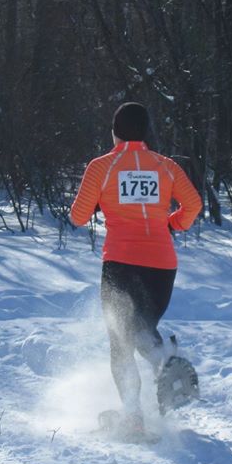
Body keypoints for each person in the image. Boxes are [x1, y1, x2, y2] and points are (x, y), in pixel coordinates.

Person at [70, 102, 202, 435]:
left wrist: (103, 203)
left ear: (114, 132)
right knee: (141, 327)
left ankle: (133, 417)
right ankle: (164, 361)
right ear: (146, 132)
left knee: (120, 340)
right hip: (162, 266)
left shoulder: (102, 166)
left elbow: (78, 216)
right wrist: (172, 223)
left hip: (121, 265)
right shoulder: (166, 166)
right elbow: (194, 204)